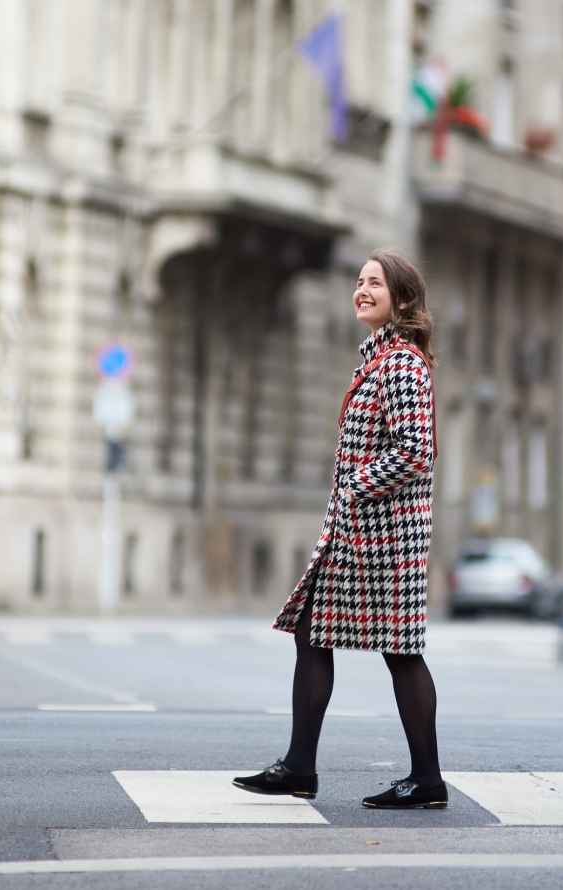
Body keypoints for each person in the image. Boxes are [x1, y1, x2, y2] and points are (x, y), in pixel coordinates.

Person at [234, 248, 446, 810]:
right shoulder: (377, 359)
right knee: (315, 632)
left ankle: (425, 778)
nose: (362, 290)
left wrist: (355, 486)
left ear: (401, 298)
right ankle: (302, 766)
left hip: (384, 535)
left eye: (375, 283)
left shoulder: (400, 363)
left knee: (398, 650)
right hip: (361, 532)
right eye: (358, 281)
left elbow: (416, 452)